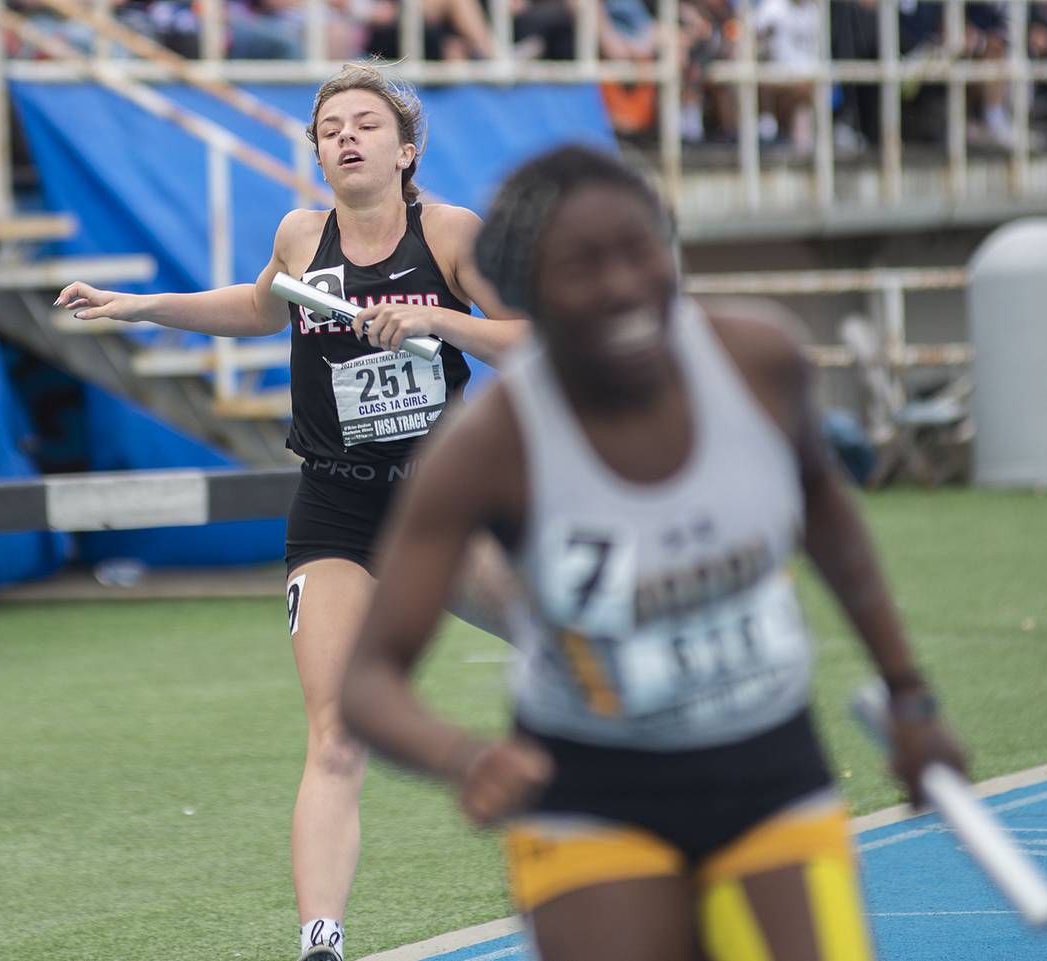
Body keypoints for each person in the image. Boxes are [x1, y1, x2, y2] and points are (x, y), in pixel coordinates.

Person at [339, 145, 967, 961]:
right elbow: (369, 676)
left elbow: (829, 517)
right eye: (582, 266)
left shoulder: (756, 360)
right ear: (527, 293)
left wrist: (910, 697)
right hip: (591, 793)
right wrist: (463, 757)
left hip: (769, 765)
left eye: (641, 249)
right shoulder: (489, 447)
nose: (624, 284)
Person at [54, 63, 526, 961]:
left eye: (365, 124)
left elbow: (532, 337)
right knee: (337, 728)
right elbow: (258, 306)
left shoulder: (453, 233)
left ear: (406, 148)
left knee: (569, 653)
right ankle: (321, 940)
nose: (345, 137)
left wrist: (439, 319)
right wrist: (144, 305)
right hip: (335, 507)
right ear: (315, 153)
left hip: (440, 503)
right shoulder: (300, 234)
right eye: (329, 128)